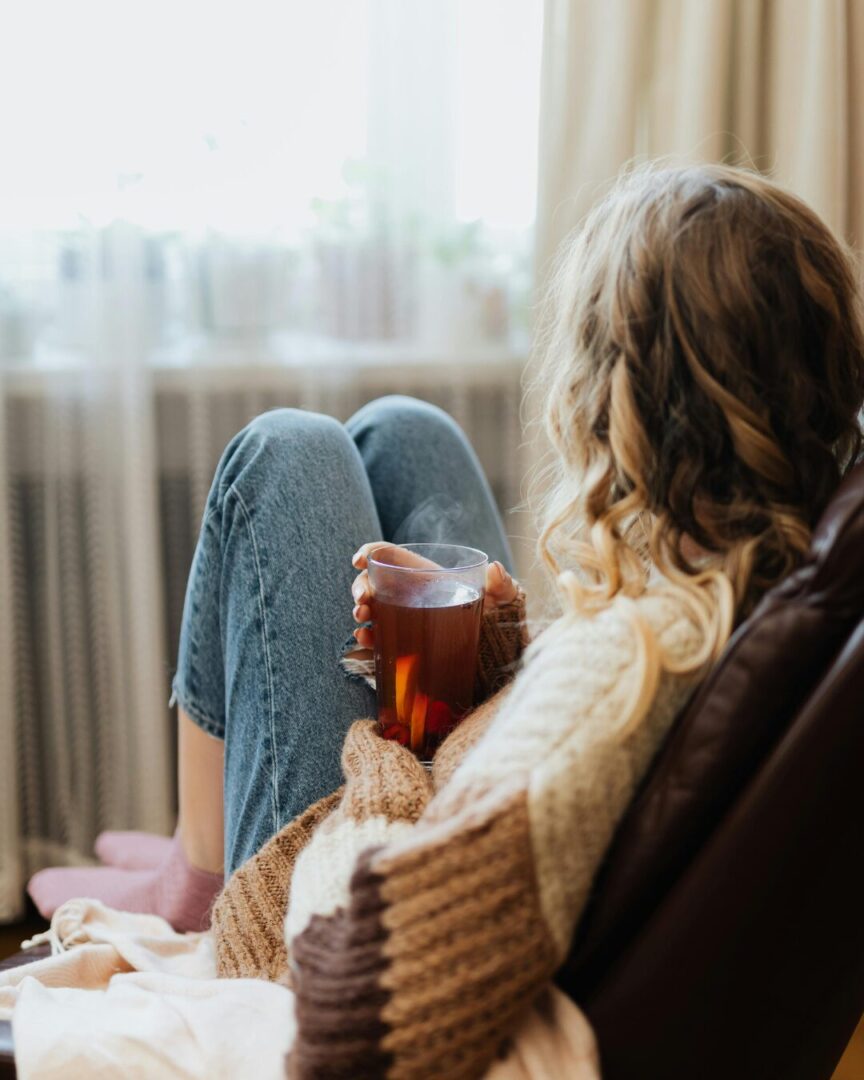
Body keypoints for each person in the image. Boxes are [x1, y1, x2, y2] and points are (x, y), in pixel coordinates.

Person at [28, 163, 864, 1076]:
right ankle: (196, 853)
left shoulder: (615, 669)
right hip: (444, 803)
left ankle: (199, 875)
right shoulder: (748, 588)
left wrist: (385, 760)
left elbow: (362, 987)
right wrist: (509, 653)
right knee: (406, 428)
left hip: (320, 914)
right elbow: (572, 767)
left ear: (615, 403)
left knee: (284, 452)